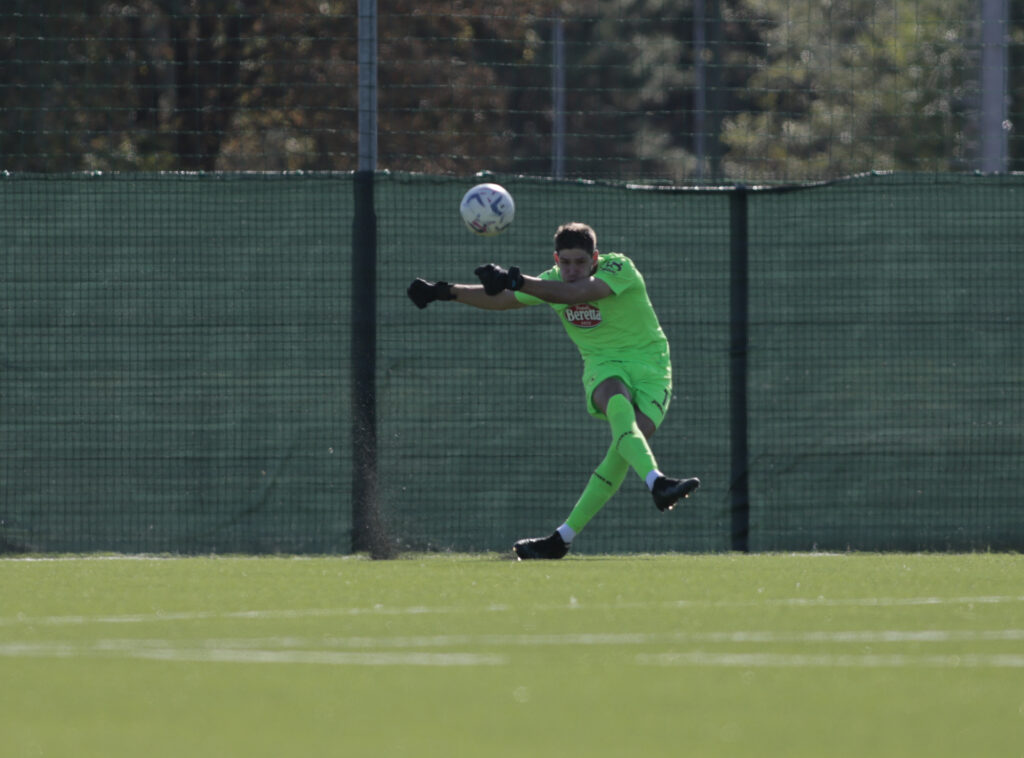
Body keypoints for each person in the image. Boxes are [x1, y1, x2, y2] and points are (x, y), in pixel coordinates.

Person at [407, 222, 700, 559]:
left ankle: (561, 540)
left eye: (581, 262)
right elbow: (502, 300)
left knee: (623, 449)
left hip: (652, 369)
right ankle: (657, 482)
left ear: (595, 259)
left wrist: (517, 280)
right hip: (603, 366)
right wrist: (444, 291)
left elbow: (575, 294)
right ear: (556, 259)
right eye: (566, 263)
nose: (573, 270)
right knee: (616, 402)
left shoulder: (620, 268)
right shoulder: (550, 281)